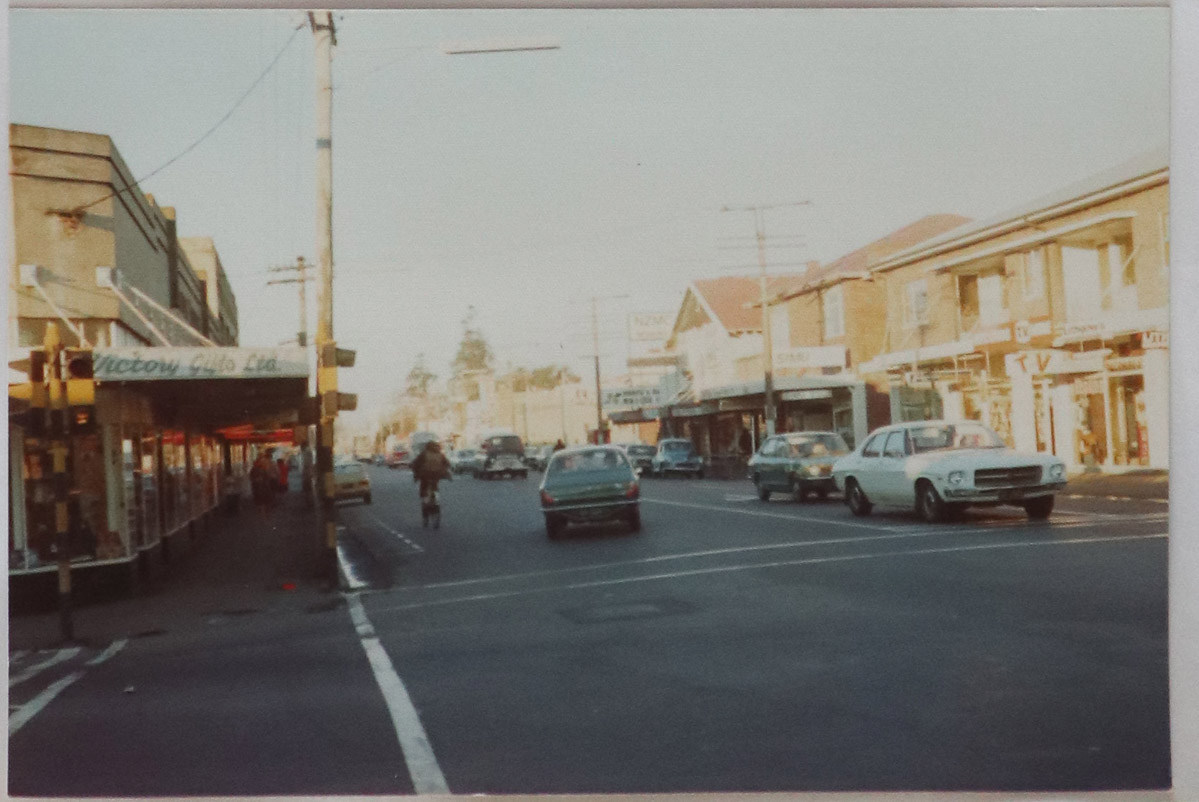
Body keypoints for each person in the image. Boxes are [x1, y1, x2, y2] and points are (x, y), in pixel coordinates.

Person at [411, 440, 451, 528]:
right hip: (436, 478)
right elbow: (447, 464)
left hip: (425, 478)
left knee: (424, 496)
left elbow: (415, 464)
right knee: (435, 489)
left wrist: (416, 474)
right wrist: (444, 473)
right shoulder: (440, 455)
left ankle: (425, 517)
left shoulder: (424, 454)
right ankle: (436, 502)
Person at [250, 451, 276, 518]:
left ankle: (262, 510)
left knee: (261, 498)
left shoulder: (258, 469)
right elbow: (251, 477)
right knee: (262, 497)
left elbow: (252, 477)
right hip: (260, 486)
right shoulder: (256, 469)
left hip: (261, 486)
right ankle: (263, 510)